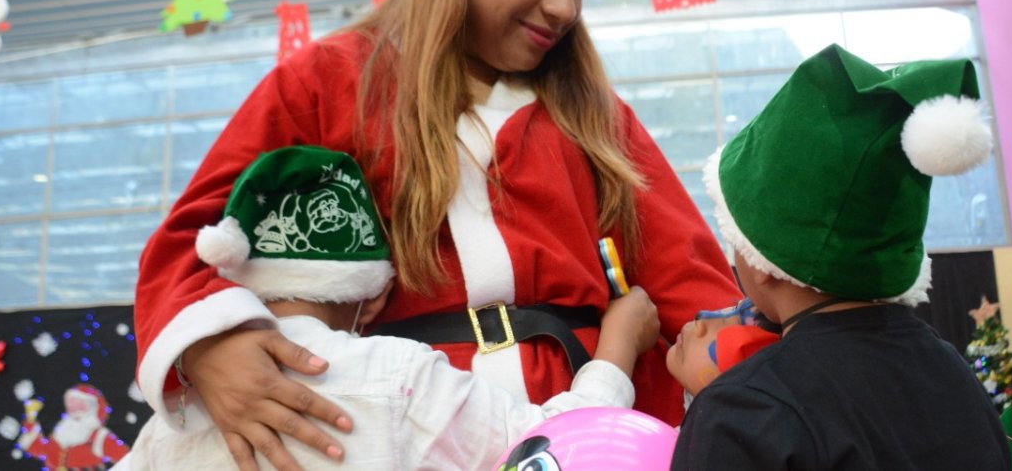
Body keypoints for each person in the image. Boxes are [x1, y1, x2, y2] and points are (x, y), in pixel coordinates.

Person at [132, 0, 741, 470]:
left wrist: (761, 380)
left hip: (582, 431)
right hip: (401, 434)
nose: (564, 5)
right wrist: (211, 345)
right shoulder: (328, 80)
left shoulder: (595, 115)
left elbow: (688, 277)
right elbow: (194, 237)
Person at [126, 146, 659, 470]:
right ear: (374, 291)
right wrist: (619, 345)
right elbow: (546, 448)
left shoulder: (172, 422)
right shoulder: (397, 377)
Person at [670, 43, 1012, 470]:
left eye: (731, 231)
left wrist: (710, 410)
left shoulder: (746, 411)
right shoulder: (954, 375)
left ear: (763, 258)